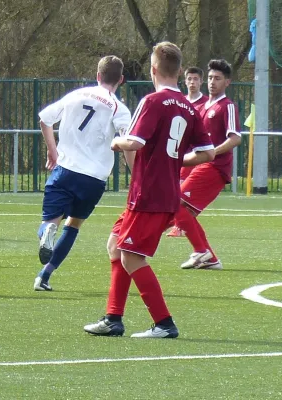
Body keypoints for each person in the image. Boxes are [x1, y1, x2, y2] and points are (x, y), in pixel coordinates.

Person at [84, 42, 215, 338]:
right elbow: (207, 154)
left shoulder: (153, 101)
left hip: (149, 193)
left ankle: (164, 323)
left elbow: (134, 143)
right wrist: (177, 160)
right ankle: (113, 318)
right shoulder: (189, 108)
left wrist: (116, 142)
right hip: (165, 192)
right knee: (116, 243)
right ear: (180, 71)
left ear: (153, 70)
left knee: (130, 255)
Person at [34, 55, 132, 291]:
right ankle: (44, 276)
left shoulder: (75, 95)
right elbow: (127, 141)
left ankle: (48, 232)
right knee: (74, 225)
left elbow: (44, 120)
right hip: (94, 178)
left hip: (65, 170)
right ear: (121, 80)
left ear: (97, 76)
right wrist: (136, 173)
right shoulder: (120, 108)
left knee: (50, 222)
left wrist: (52, 152)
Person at [174, 59, 241, 270]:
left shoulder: (227, 106)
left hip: (215, 167)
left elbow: (235, 138)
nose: (212, 82)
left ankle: (203, 252)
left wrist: (212, 153)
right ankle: (208, 257)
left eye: (217, 78)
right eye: (211, 78)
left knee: (174, 204)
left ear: (227, 82)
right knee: (179, 210)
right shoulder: (202, 107)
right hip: (199, 166)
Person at [167, 66, 209, 237]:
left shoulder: (206, 103)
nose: (192, 82)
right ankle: (178, 224)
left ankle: (180, 226)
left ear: (201, 81)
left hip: (196, 156)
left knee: (182, 196)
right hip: (179, 154)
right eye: (189, 79)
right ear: (184, 81)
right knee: (177, 193)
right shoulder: (180, 102)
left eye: (196, 79)